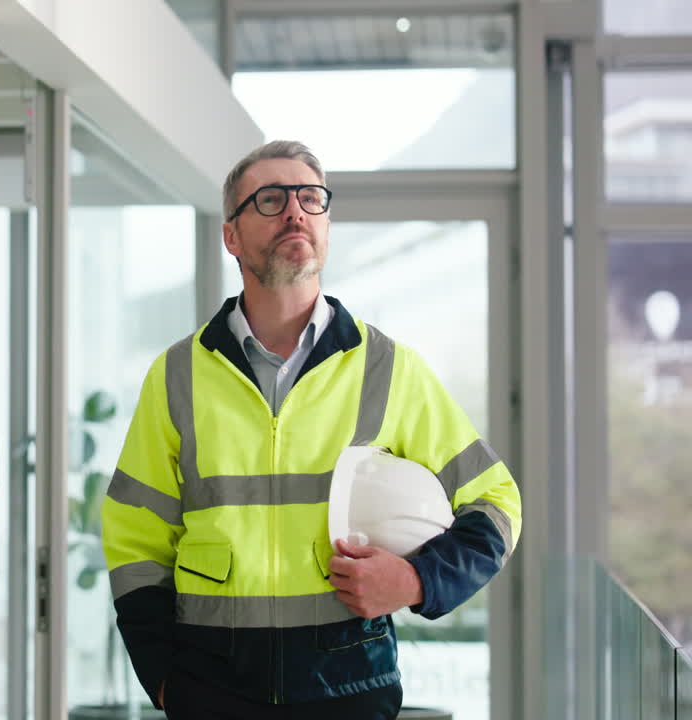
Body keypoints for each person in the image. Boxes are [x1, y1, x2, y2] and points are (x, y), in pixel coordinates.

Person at [100, 140, 522, 719]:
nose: (296, 211)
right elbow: (135, 540)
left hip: (350, 693)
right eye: (270, 200)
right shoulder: (175, 375)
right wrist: (166, 683)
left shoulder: (389, 368)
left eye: (310, 198)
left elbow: (496, 502)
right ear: (231, 236)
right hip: (211, 692)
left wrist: (417, 580)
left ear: (326, 225)